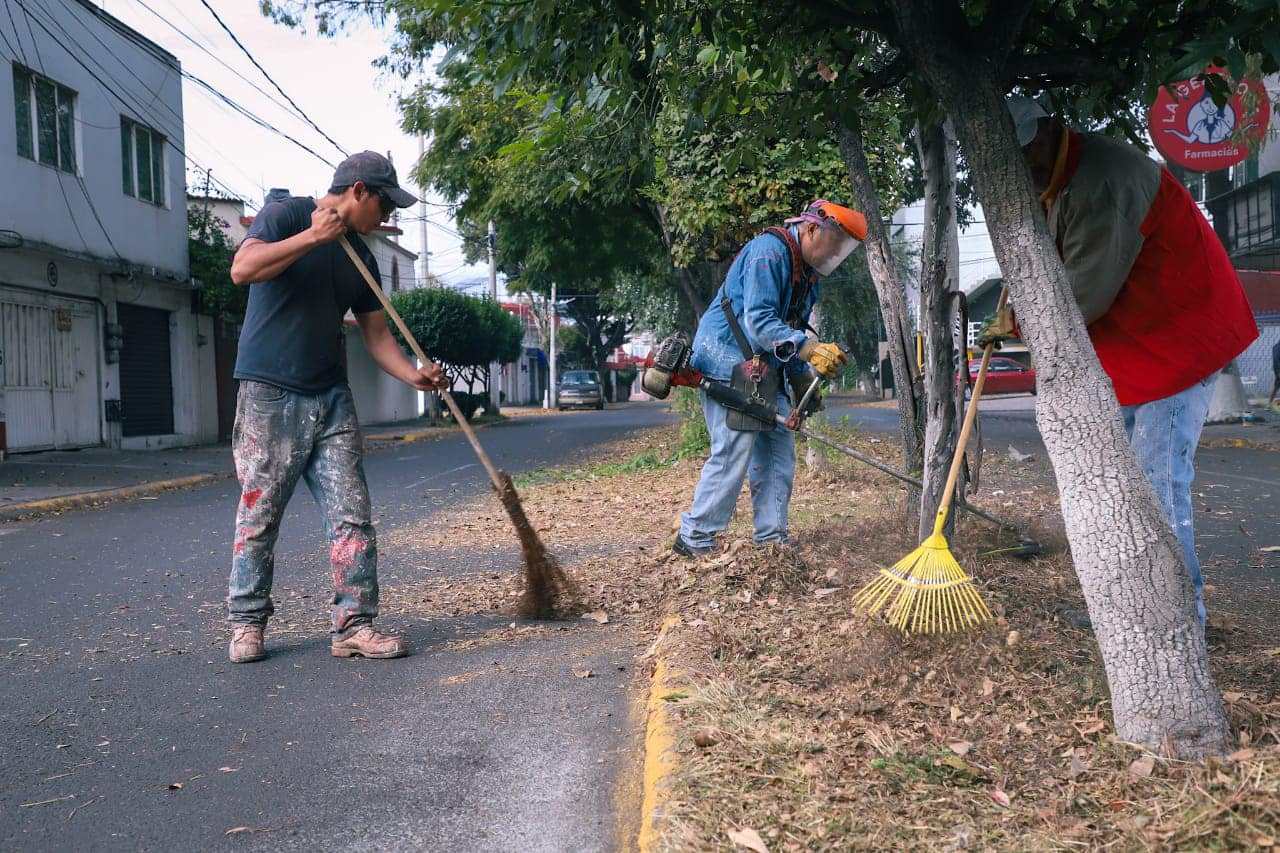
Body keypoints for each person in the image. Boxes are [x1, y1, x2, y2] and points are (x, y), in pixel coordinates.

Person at [981, 98, 1259, 625]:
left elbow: (1082, 297)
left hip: (1176, 345)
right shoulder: (1066, 175)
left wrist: (1017, 323)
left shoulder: (1100, 182)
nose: (1024, 170)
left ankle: (1178, 615)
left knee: (1157, 485)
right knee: (1123, 485)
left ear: (1044, 134)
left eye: (1026, 156)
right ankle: (1131, 606)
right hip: (1139, 348)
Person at [225, 151, 446, 663]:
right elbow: (243, 269)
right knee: (259, 516)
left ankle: (354, 624)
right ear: (360, 190)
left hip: (331, 399)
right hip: (269, 393)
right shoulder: (286, 214)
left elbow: (376, 336)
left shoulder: (362, 259)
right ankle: (246, 623)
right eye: (385, 205)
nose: (387, 218)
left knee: (352, 516)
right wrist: (312, 238)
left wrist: (416, 375)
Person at [673, 201, 867, 557]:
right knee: (735, 445)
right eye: (836, 243)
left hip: (761, 367)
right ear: (811, 230)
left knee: (779, 445)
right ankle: (695, 538)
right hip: (725, 357)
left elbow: (788, 332)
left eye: (845, 249)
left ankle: (772, 538)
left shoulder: (808, 278)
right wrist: (808, 349)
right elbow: (759, 322)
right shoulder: (769, 253)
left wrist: (799, 380)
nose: (838, 253)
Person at [1269, 339, 1280, 409]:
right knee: (1277, 386)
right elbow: (1276, 359)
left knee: (1277, 386)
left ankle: (1270, 404)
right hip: (1278, 369)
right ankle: (1270, 404)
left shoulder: (1276, 347)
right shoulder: (1277, 347)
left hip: (1277, 369)